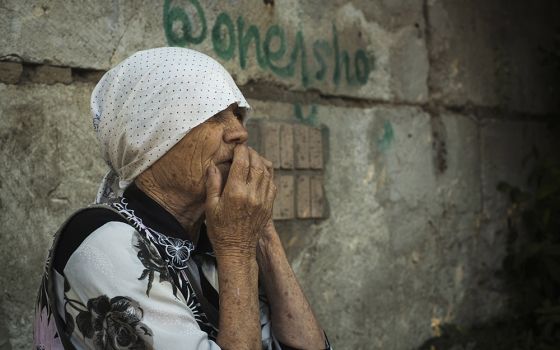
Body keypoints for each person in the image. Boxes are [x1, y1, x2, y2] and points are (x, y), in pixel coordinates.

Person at [33, 47, 331, 350]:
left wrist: (262, 232)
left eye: (238, 115)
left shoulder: (214, 237)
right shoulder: (101, 241)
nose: (239, 132)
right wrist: (237, 250)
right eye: (214, 115)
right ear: (150, 137)